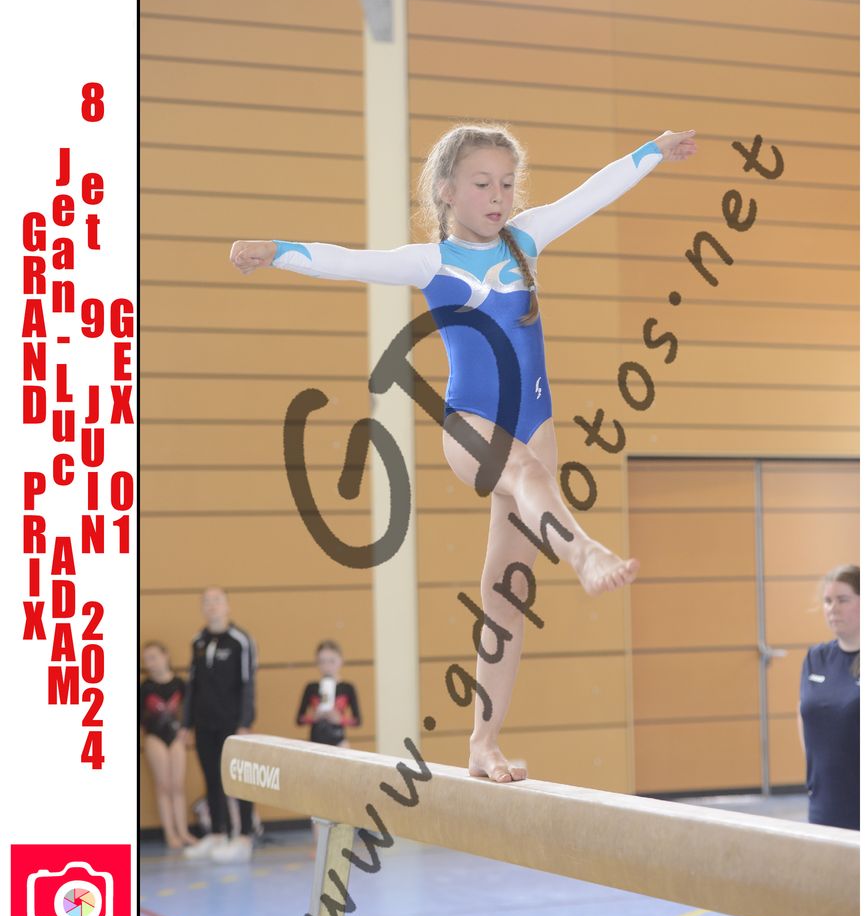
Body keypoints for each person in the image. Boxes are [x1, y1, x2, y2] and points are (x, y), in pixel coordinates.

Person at [230, 124, 696, 784]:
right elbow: (346, 260)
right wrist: (274, 251)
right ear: (447, 191)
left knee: (507, 593)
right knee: (524, 474)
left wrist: (653, 151)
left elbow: (592, 193)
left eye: (507, 183)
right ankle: (583, 551)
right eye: (483, 184)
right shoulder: (431, 262)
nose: (499, 196)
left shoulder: (526, 239)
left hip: (536, 424)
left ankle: (483, 743)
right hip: (471, 426)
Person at [797, 564, 861, 916]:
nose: (832, 608)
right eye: (827, 601)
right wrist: (814, 781)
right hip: (826, 808)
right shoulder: (816, 658)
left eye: (843, 599)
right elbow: (805, 717)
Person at [181, 586, 258, 863]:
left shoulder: (240, 641)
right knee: (212, 778)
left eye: (217, 601)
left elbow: (248, 683)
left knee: (239, 779)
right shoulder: (198, 641)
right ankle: (217, 833)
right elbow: (193, 685)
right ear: (202, 609)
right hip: (205, 723)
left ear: (227, 606)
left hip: (232, 723)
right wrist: (186, 723)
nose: (211, 605)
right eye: (206, 602)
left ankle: (244, 836)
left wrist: (245, 722)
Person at [140, 641, 195, 850]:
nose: (150, 663)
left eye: (153, 658)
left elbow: (188, 711)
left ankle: (183, 832)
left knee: (177, 786)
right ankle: (170, 833)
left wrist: (187, 730)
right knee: (163, 785)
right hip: (154, 737)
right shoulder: (145, 688)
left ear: (166, 656)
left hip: (176, 737)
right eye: (146, 660)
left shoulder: (180, 684)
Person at [297, 640, 361, 748]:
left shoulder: (347, 688)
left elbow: (357, 721)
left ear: (341, 661)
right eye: (322, 661)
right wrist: (314, 717)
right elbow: (299, 719)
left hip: (339, 743)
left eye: (332, 661)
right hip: (315, 744)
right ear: (317, 663)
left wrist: (340, 719)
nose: (327, 666)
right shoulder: (311, 687)